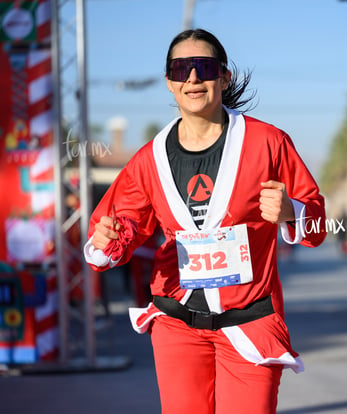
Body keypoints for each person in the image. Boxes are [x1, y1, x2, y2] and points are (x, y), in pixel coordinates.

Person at [84, 28, 326, 414]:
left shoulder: (268, 143)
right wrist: (109, 239)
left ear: (224, 76)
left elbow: (318, 228)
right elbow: (115, 233)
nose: (193, 78)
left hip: (250, 324)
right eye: (181, 69)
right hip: (176, 324)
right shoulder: (150, 159)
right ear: (169, 83)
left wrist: (291, 212)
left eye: (204, 67)